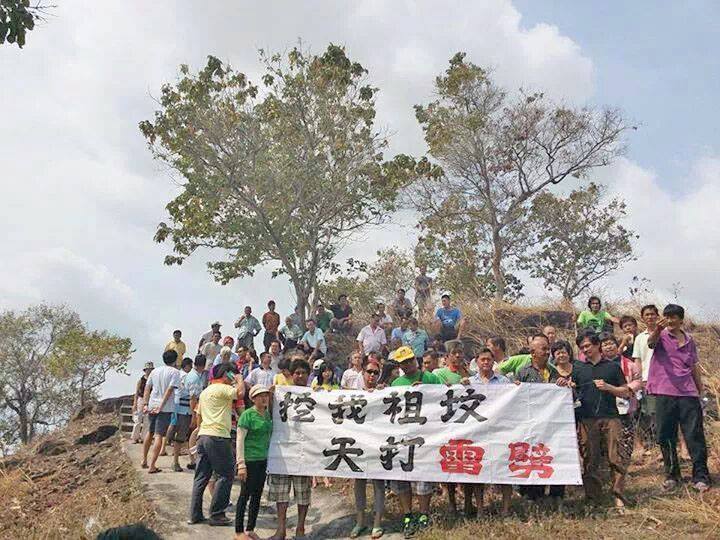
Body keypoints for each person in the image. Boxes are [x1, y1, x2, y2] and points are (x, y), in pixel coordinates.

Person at [647, 304, 710, 492]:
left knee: (694, 435)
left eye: (673, 317)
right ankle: (672, 475)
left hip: (688, 392)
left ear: (681, 319)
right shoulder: (661, 335)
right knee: (666, 435)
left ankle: (700, 476)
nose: (670, 320)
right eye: (667, 316)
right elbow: (651, 343)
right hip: (665, 391)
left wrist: (700, 390)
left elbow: (694, 366)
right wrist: (657, 329)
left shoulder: (689, 340)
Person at [573, 332, 630, 508]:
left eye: (587, 346)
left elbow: (626, 392)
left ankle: (618, 495)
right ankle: (593, 498)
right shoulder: (578, 369)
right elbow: (573, 392)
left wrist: (609, 387)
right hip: (587, 419)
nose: (585, 350)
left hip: (611, 417)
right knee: (590, 459)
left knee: (616, 457)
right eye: (582, 348)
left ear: (597, 345)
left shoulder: (612, 367)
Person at [390, 346, 439, 537]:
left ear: (415, 360)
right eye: (403, 362)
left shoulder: (431, 378)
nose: (408, 364)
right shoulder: (396, 383)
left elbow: (444, 398)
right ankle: (408, 515)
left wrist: (426, 390)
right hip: (403, 436)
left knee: (423, 477)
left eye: (410, 360)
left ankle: (424, 514)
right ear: (399, 365)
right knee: (402, 478)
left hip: (426, 435)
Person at [189, 363, 245, 526]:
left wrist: (199, 432)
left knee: (201, 476)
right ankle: (217, 514)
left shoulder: (205, 392)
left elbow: (198, 415)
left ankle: (195, 514)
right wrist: (239, 379)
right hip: (218, 435)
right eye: (231, 375)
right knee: (226, 474)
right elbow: (240, 393)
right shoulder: (223, 389)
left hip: (204, 435)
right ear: (226, 375)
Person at [462, 348, 512, 516]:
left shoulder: (504, 381)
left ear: (493, 362)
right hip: (477, 432)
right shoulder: (469, 382)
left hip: (500, 431)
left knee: (504, 468)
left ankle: (505, 508)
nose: (485, 362)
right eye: (482, 359)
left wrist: (518, 387)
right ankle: (480, 509)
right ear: (476, 362)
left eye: (488, 359)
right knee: (478, 470)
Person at [267, 359, 313, 540]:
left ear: (308, 375)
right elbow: (269, 413)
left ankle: (300, 529)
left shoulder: (316, 395)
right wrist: (270, 397)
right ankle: (281, 530)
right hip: (283, 451)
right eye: (297, 373)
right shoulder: (280, 394)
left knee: (303, 494)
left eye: (303, 373)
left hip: (305, 451)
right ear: (291, 375)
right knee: (281, 494)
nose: (300, 376)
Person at [516, 335, 564, 503]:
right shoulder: (523, 372)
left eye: (547, 348)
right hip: (531, 423)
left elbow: (562, 395)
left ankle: (555, 495)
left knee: (552, 455)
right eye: (543, 349)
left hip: (551, 424)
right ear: (532, 352)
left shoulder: (553, 371)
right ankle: (532, 495)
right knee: (533, 456)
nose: (547, 352)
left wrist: (564, 385)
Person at [350, 360, 386, 539]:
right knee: (359, 483)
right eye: (369, 372)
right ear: (363, 373)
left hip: (378, 444)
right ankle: (360, 521)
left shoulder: (384, 392)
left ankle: (377, 523)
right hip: (359, 444)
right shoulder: (353, 394)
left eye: (375, 373)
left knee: (379, 484)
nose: (372, 375)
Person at [235, 384, 273, 540]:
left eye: (266, 395)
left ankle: (250, 528)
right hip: (249, 461)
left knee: (257, 495)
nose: (264, 398)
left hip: (262, 460)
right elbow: (239, 440)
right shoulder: (247, 415)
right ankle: (238, 531)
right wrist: (241, 464)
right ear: (253, 398)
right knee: (245, 495)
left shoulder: (267, 414)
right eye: (260, 396)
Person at [600, 333, 642, 471]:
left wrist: (628, 389)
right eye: (605, 344)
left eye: (611, 343)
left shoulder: (629, 364)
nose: (608, 347)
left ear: (617, 345)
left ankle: (624, 468)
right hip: (606, 407)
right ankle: (609, 468)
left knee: (627, 437)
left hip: (626, 405)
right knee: (608, 439)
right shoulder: (598, 365)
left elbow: (638, 380)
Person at [141, 350, 181, 473]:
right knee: (159, 435)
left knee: (150, 432)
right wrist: (161, 405)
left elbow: (147, 388)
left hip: (152, 404)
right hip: (165, 407)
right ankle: (152, 465)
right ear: (175, 360)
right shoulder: (175, 372)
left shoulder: (155, 371)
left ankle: (144, 460)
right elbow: (169, 390)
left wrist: (145, 404)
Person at [632, 304, 660, 450]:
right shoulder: (639, 338)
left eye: (652, 314)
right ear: (642, 318)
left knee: (664, 412)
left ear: (657, 316)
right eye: (647, 315)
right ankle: (652, 443)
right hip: (647, 379)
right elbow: (637, 360)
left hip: (664, 380)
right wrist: (640, 379)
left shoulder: (665, 334)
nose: (650, 317)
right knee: (648, 412)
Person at [166, 357, 195, 472]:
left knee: (176, 432)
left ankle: (173, 456)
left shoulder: (177, 374)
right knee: (180, 437)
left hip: (175, 407)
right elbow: (190, 395)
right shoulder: (187, 377)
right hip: (184, 409)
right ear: (187, 366)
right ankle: (175, 462)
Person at [186, 354, 208, 470]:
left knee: (195, 433)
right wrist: (194, 415)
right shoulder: (194, 377)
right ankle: (192, 459)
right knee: (195, 433)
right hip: (193, 407)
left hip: (196, 405)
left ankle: (193, 458)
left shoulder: (196, 375)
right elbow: (193, 398)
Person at [131, 362, 153, 443]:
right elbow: (137, 392)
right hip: (141, 399)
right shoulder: (141, 380)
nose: (149, 371)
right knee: (138, 419)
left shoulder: (153, 380)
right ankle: (135, 437)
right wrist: (135, 403)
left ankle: (144, 438)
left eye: (150, 369)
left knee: (147, 420)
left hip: (150, 400)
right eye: (148, 369)